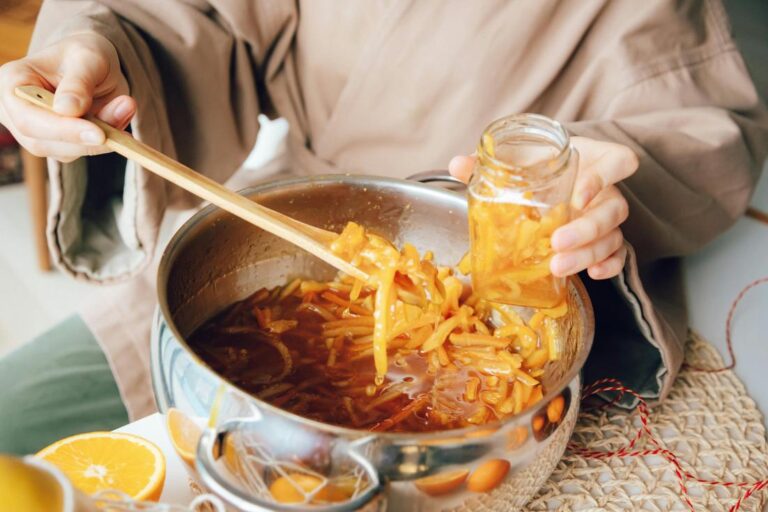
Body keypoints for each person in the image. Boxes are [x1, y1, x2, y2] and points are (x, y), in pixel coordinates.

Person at [0, 0, 765, 454]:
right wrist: (102, 49)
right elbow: (197, 16)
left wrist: (603, 178)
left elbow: (699, 125)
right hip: (285, 235)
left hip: (515, 304)